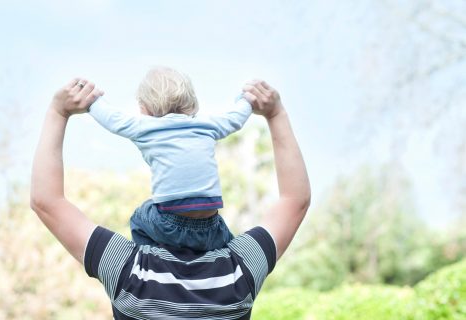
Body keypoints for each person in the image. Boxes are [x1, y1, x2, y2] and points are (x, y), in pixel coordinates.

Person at [30, 77, 311, 319]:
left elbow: (47, 201)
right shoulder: (238, 273)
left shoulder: (129, 273)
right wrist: (276, 115)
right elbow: (295, 201)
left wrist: (58, 112)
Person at [88, 66, 253, 251]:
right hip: (211, 224)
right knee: (228, 245)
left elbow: (112, 119)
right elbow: (235, 118)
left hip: (169, 224)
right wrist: (246, 100)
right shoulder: (207, 125)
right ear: (192, 102)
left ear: (145, 107)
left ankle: (152, 259)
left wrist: (93, 101)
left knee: (138, 218)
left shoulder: (145, 128)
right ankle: (223, 260)